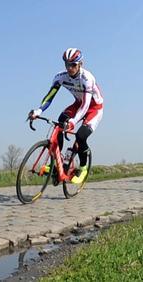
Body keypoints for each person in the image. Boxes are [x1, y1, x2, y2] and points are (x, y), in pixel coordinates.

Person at [28, 48, 104, 185]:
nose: (69, 68)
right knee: (60, 122)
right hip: (78, 104)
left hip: (94, 108)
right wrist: (38, 111)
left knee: (80, 136)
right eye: (67, 64)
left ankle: (83, 168)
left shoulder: (87, 78)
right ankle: (56, 163)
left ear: (80, 64)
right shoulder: (60, 77)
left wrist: (74, 122)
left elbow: (86, 105)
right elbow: (50, 96)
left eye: (73, 65)